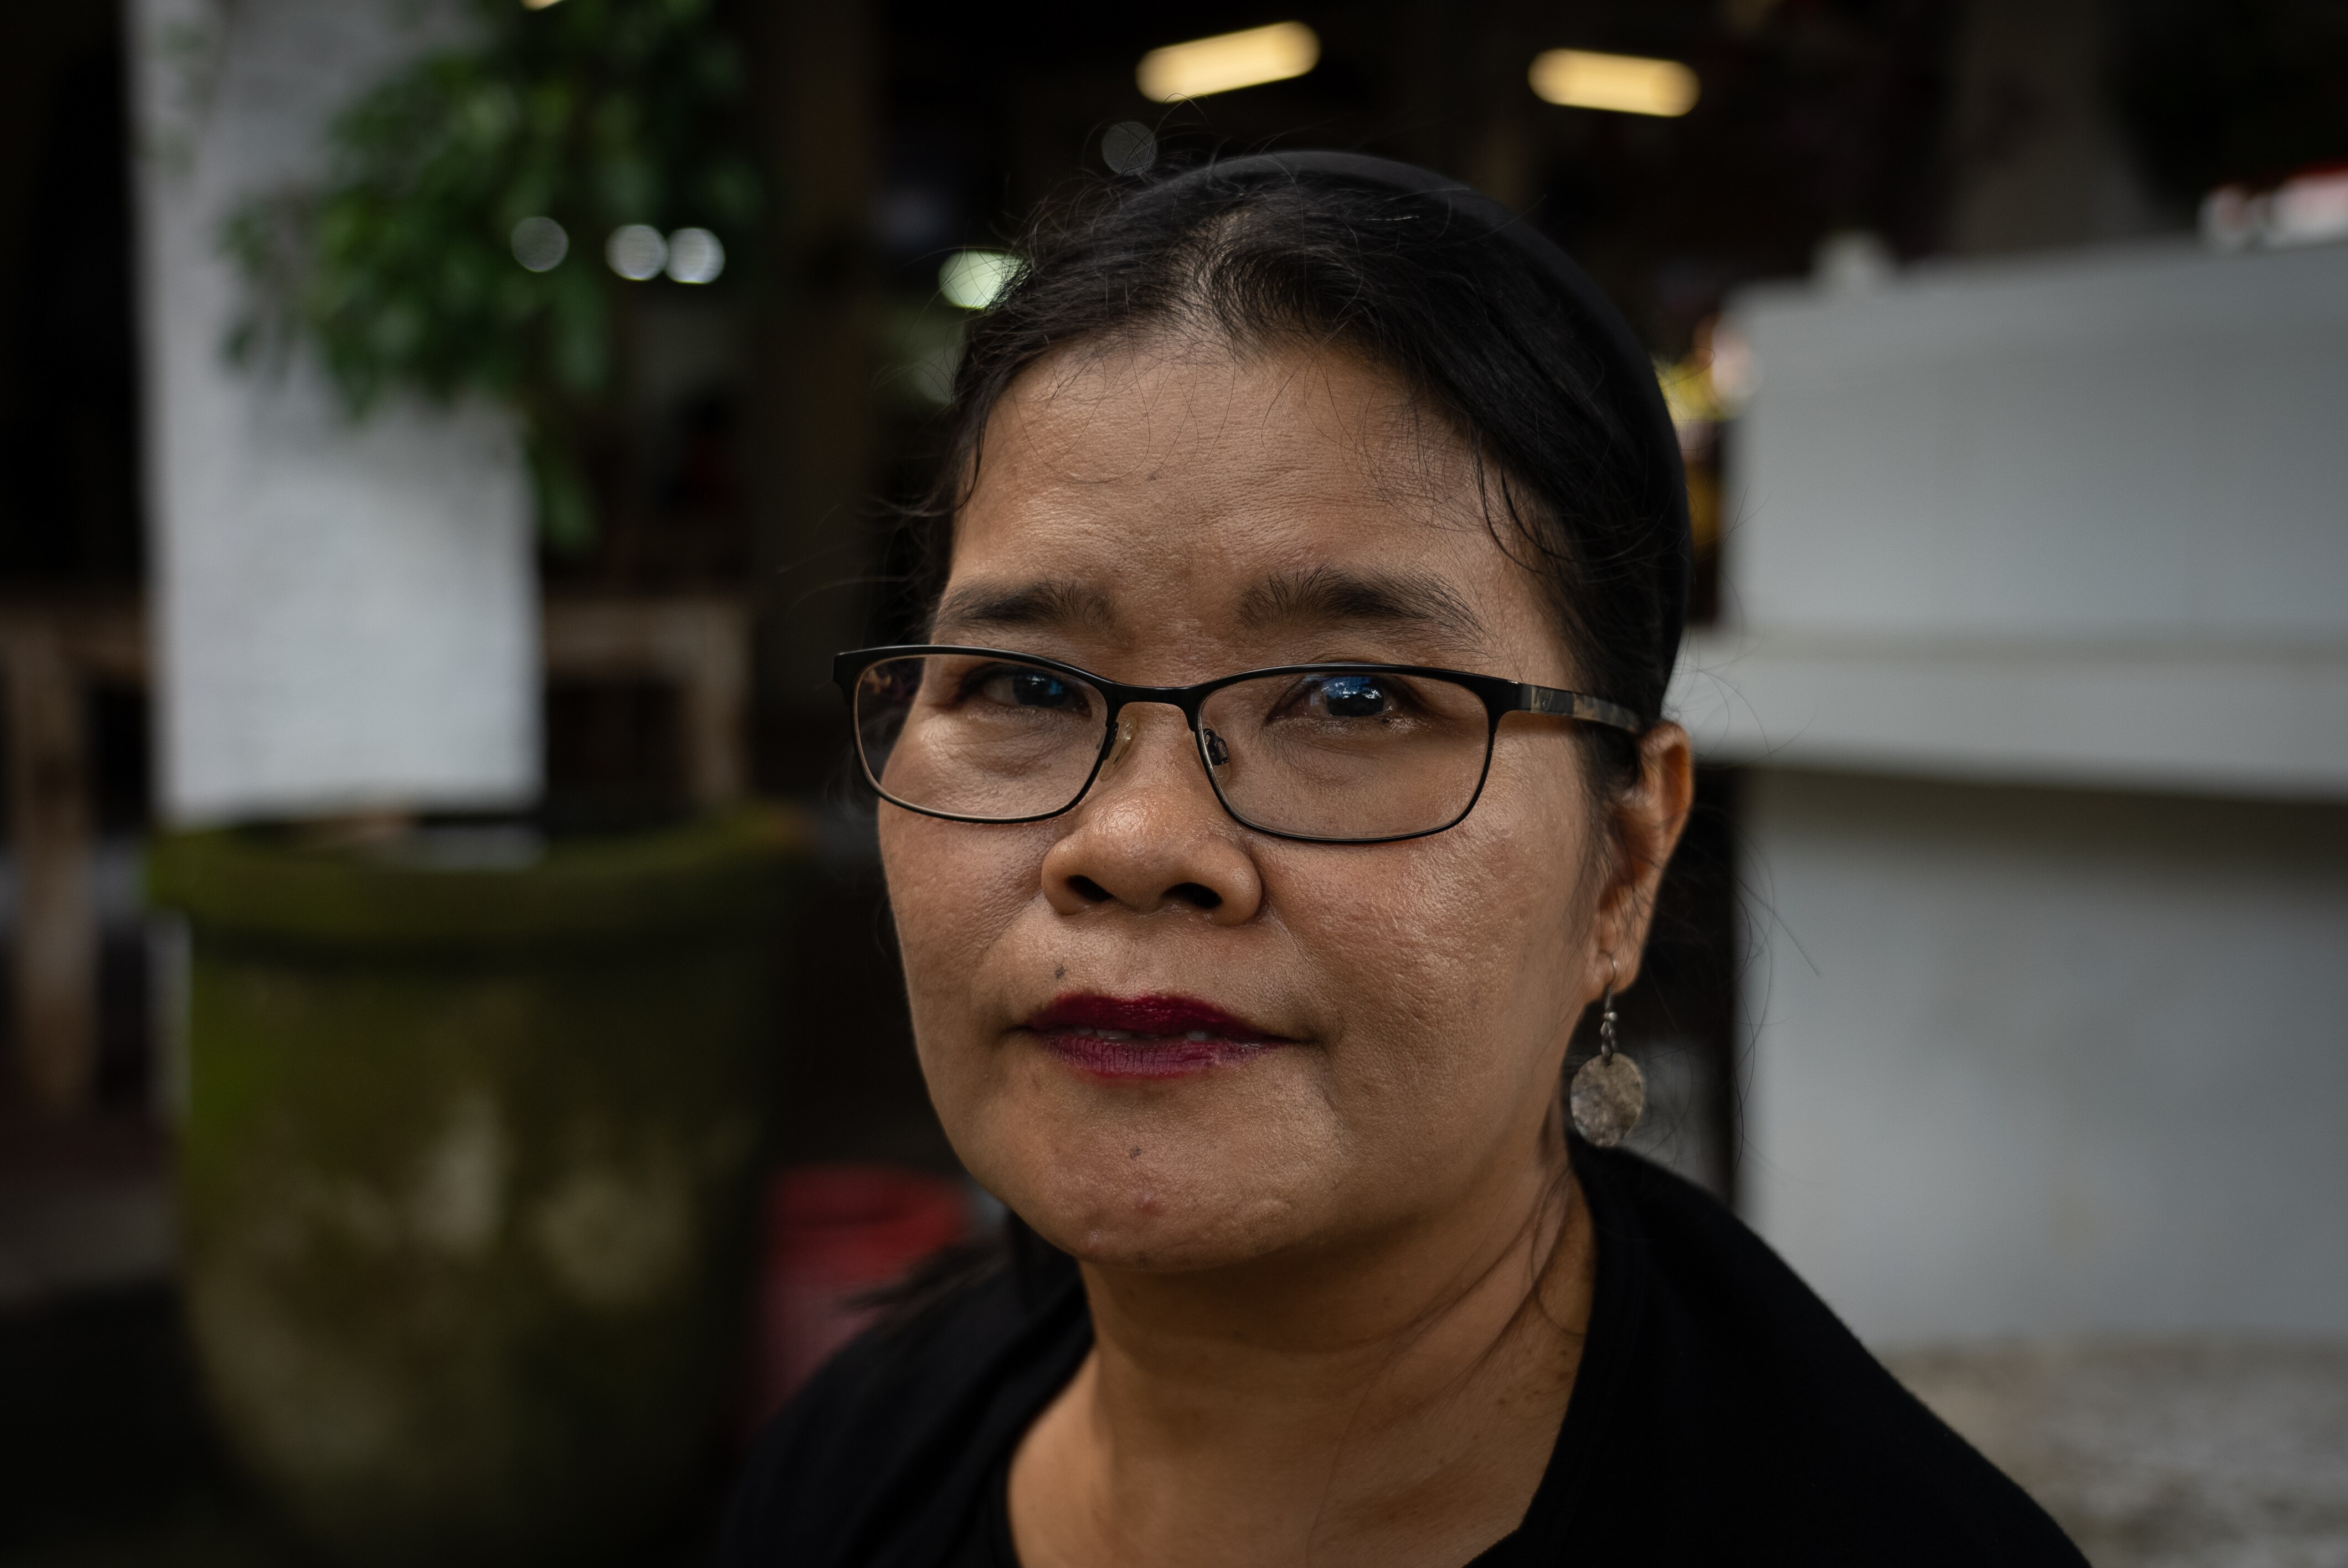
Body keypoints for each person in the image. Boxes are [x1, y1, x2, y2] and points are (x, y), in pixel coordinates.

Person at [722, 153, 2084, 1567]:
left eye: (1352, 701)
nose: (1130, 846)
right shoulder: (856, 1466)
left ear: (1622, 862)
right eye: (1022, 688)